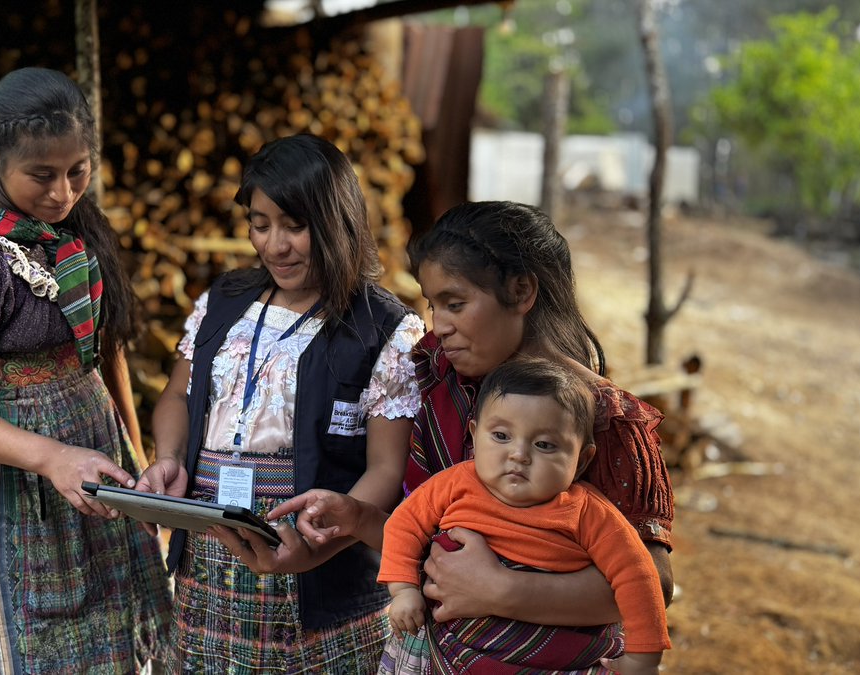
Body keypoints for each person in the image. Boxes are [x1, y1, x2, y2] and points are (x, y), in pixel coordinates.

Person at [268, 200, 674, 673]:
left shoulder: (608, 423)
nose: (440, 326)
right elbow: (430, 541)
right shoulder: (441, 382)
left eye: (456, 303)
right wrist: (355, 517)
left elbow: (652, 584)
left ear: (521, 291)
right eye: (433, 305)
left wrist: (501, 589)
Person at [0, 67, 171, 673]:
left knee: (115, 634)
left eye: (78, 171)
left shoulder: (71, 233)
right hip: (5, 487)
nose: (63, 192)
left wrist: (136, 453)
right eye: (42, 176)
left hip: (94, 462)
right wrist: (52, 457)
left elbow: (105, 352)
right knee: (25, 643)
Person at [136, 133, 425, 672]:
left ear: (338, 222)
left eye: (295, 226)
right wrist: (170, 457)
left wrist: (314, 546)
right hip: (209, 561)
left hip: (316, 561)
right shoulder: (224, 302)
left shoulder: (383, 329)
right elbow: (179, 392)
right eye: (260, 224)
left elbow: (387, 468)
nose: (274, 245)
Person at [379, 357, 669, 674]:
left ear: (582, 459)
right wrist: (404, 590)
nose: (519, 455)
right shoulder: (453, 484)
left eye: (544, 444)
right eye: (501, 436)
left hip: (559, 659)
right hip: (455, 649)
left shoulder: (589, 513)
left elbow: (638, 576)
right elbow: (403, 527)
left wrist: (643, 658)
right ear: (474, 437)